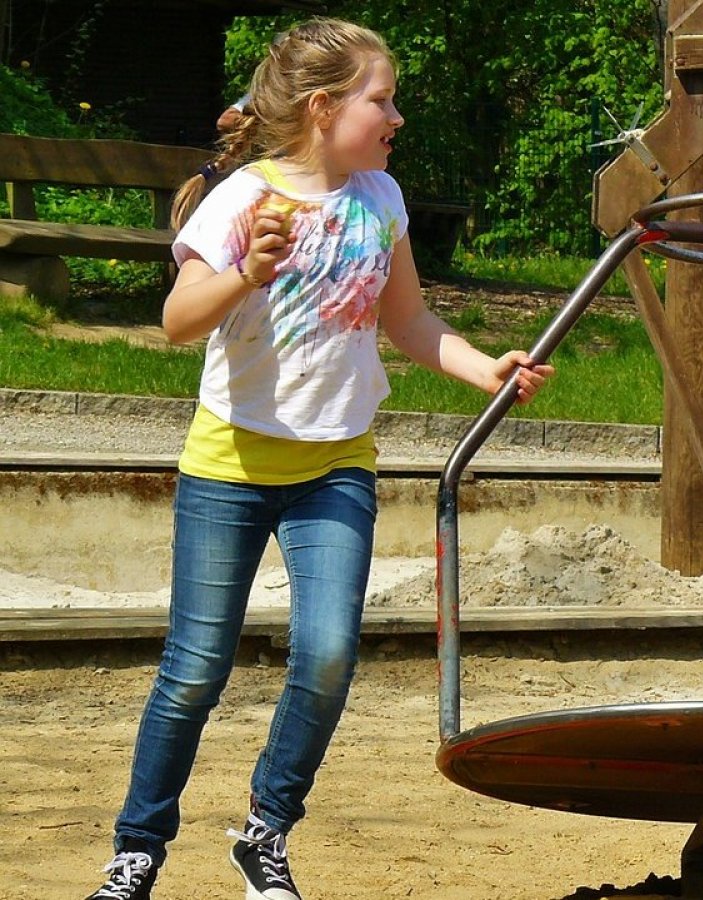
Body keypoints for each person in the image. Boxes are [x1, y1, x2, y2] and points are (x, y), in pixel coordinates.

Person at [84, 18, 552, 900]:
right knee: (194, 672)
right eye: (383, 99)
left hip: (337, 466)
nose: (397, 117)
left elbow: (408, 322)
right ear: (323, 106)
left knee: (330, 652)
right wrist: (246, 274)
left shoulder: (382, 198)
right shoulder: (244, 199)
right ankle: (137, 850)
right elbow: (179, 322)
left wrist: (484, 366)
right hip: (228, 467)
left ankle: (265, 830)